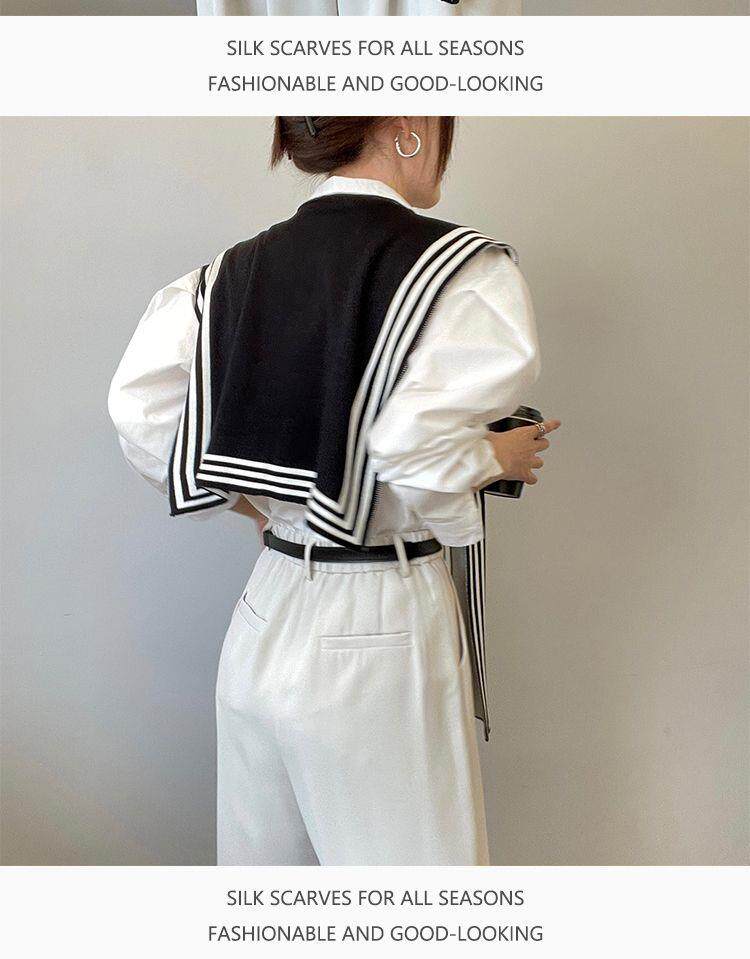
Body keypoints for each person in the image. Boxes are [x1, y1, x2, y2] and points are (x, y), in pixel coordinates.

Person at [108, 116, 561, 866]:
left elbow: (140, 411)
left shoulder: (231, 272)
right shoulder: (461, 270)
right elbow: (409, 450)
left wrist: (258, 507)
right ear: (409, 124)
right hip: (380, 617)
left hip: (266, 607)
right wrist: (491, 455)